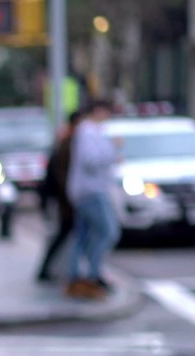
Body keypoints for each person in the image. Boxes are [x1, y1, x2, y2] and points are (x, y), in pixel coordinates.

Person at [64, 99, 120, 300]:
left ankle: (77, 277)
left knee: (84, 236)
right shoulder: (88, 131)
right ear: (98, 111)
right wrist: (112, 151)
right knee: (108, 232)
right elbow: (91, 161)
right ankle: (92, 276)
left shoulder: (86, 131)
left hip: (84, 191)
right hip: (92, 191)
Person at [35, 109, 84, 283]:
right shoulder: (68, 143)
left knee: (66, 233)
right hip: (64, 198)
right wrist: (71, 198)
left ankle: (50, 270)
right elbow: (62, 175)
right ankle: (51, 271)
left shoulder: (69, 141)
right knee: (65, 233)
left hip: (62, 197)